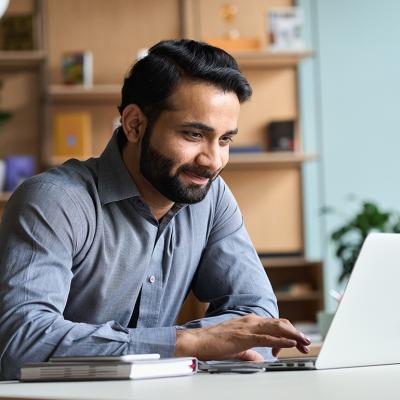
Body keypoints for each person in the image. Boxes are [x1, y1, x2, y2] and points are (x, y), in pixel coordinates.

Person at [0, 39, 310, 380]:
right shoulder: (53, 201)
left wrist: (196, 344)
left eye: (225, 140)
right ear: (134, 125)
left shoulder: (212, 196)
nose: (213, 161)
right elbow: (22, 344)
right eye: (194, 134)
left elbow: (257, 315)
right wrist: (185, 342)